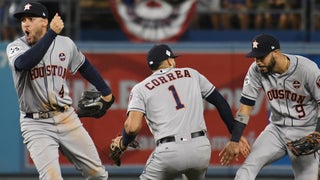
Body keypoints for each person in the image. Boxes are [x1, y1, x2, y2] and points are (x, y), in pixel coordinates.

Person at [6, 2, 114, 179]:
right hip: (36, 124)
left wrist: (106, 91)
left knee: (98, 175)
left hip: (66, 117)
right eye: (22, 20)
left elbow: (84, 66)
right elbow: (24, 63)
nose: (25, 23)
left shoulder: (65, 44)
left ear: (44, 22)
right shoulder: (16, 47)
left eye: (30, 19)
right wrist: (51, 34)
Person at [110, 44, 251, 180]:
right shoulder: (191, 73)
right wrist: (235, 134)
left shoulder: (141, 88)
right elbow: (220, 102)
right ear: (169, 61)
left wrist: (123, 142)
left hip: (169, 151)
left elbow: (132, 127)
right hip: (200, 149)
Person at [219, 33, 320, 179]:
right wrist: (235, 139)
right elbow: (245, 107)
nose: (258, 61)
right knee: (247, 168)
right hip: (276, 130)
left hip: (305, 130)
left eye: (261, 57)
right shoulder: (255, 70)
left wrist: (317, 133)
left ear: (276, 53)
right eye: (255, 57)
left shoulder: (306, 69)